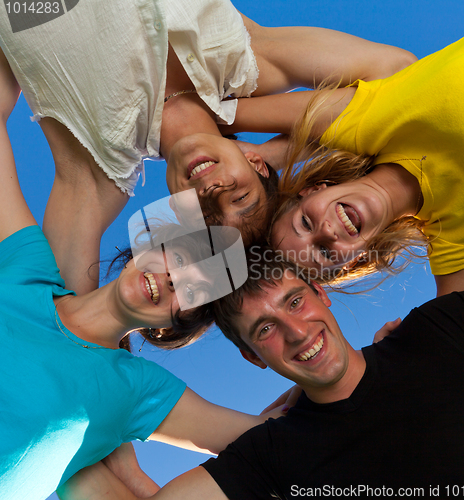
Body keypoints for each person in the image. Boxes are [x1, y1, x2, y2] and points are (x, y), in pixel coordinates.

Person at [0, 57, 285, 500]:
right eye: (181, 256)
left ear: (170, 326)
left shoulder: (133, 390)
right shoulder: (29, 269)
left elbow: (277, 443)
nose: (174, 278)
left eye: (192, 293)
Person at [0, 0, 416, 294]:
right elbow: (400, 79)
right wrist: (253, 136)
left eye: (204, 214)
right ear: (256, 163)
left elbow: (61, 312)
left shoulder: (95, 170)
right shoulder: (242, 60)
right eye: (240, 196)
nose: (212, 192)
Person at [58, 248, 464, 499]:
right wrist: (69, 446)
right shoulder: (273, 450)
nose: (296, 331)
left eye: (294, 302)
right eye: (264, 329)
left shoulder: (434, 336)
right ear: (253, 357)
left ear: (321, 293)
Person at [226, 14, 464, 297]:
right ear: (356, 260)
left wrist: (263, 156)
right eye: (324, 252)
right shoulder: (459, 245)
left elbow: (218, 114)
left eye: (305, 223)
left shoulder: (365, 120)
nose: (326, 233)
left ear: (312, 191)